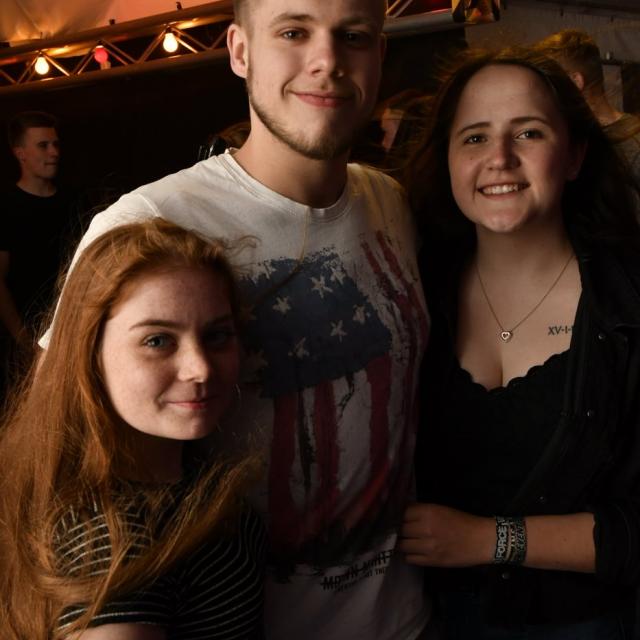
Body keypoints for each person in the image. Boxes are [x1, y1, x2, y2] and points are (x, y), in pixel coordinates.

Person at [39, 0, 430, 637]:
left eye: (353, 36)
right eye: (294, 32)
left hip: (405, 617)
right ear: (240, 51)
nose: (327, 61)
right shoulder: (148, 223)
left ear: (380, 54)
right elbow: (65, 453)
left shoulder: (388, 202)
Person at [400, 46, 640, 639]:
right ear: (448, 160)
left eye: (528, 132)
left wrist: (490, 539)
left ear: (575, 155)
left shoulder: (629, 303)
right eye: (475, 137)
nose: (499, 158)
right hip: (433, 623)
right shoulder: (411, 290)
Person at [0, 218, 266, 639]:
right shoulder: (113, 540)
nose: (200, 368)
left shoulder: (173, 476)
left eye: (217, 335)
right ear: (89, 351)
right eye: (157, 340)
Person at [0, 111, 80, 402]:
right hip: (24, 341)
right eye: (43, 145)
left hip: (71, 331)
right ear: (20, 153)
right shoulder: (6, 207)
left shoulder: (74, 201)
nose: (54, 152)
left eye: (56, 144)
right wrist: (23, 340)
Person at [534, 29, 640, 188]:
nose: (544, 92)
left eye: (550, 82)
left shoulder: (634, 142)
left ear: (575, 81)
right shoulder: (571, 137)